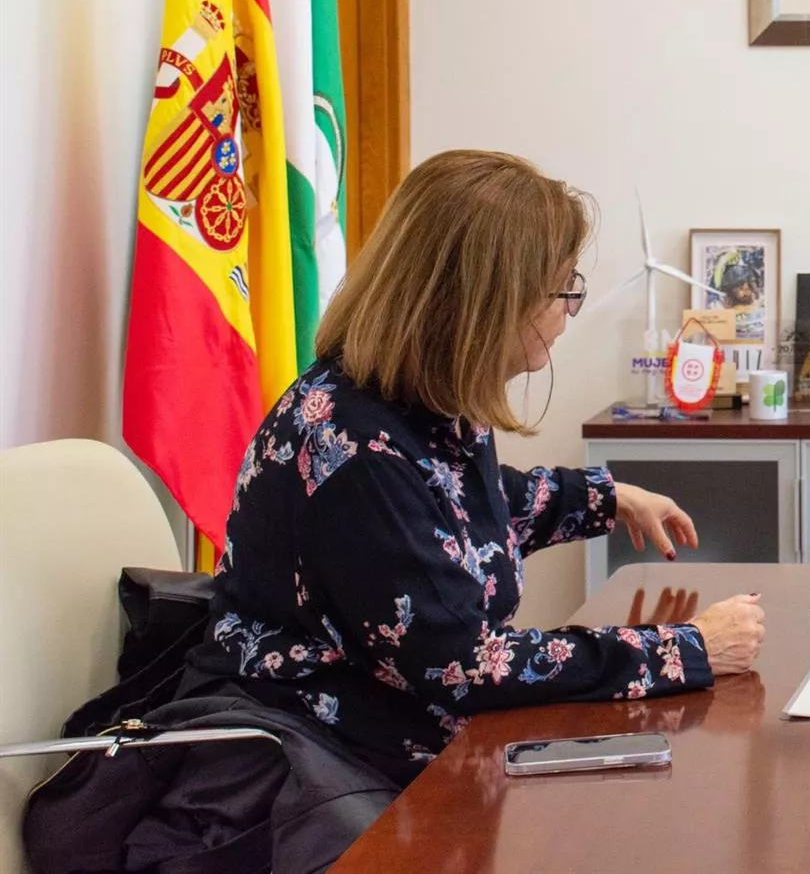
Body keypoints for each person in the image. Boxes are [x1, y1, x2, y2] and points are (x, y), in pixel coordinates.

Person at [185, 150, 767, 791]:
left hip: (407, 743)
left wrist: (607, 496)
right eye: (562, 290)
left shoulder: (417, 401)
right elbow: (468, 668)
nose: (567, 313)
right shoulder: (354, 451)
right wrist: (687, 648)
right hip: (330, 774)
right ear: (489, 303)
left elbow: (460, 510)